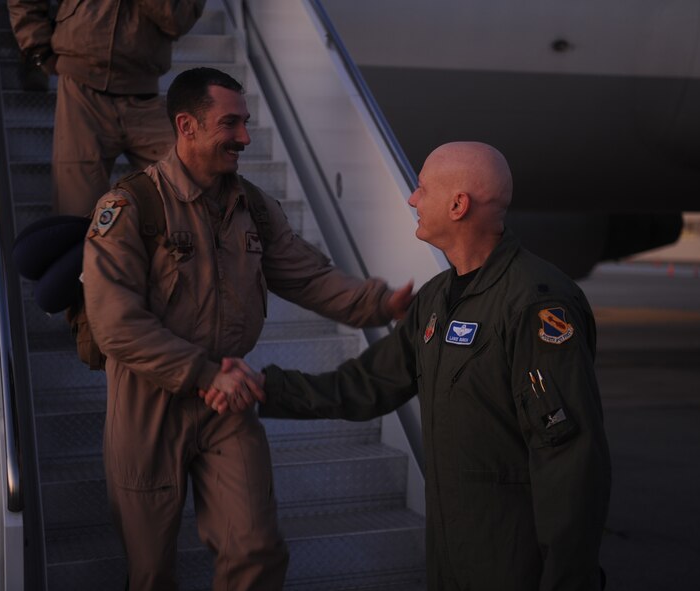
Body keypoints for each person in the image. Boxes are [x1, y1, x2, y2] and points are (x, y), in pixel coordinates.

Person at [210, 141, 612, 590]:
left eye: (422, 188)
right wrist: (266, 386)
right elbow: (367, 383)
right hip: (450, 554)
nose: (412, 198)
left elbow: (570, 463)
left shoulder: (536, 304)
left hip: (513, 561)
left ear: (458, 205)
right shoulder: (436, 299)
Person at [82, 67, 414, 590]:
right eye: (230, 123)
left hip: (228, 404)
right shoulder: (128, 207)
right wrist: (203, 373)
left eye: (246, 122)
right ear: (187, 126)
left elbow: (309, 278)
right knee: (149, 571)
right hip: (148, 405)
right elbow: (115, 325)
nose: (244, 137)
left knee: (256, 550)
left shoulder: (252, 206)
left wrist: (381, 304)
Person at [8, 0, 206, 216]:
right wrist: (38, 49)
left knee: (195, 198)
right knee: (77, 220)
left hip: (144, 94)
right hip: (81, 92)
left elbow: (180, 19)